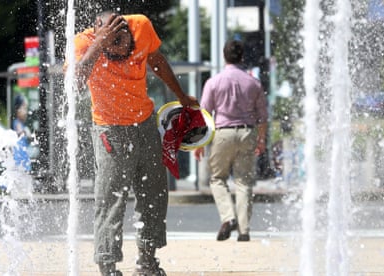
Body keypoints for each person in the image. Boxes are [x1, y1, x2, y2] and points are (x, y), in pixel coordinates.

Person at [73, 12, 198, 276]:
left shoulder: (141, 26)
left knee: (154, 194)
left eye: (124, 45)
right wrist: (99, 44)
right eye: (112, 46)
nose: (121, 53)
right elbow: (73, 84)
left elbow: (157, 61)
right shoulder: (85, 44)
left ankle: (147, 262)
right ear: (100, 37)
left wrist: (181, 96)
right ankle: (107, 266)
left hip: (144, 123)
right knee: (110, 199)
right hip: (110, 130)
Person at [194, 40, 268, 242]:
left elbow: (205, 114)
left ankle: (229, 217)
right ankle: (244, 231)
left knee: (218, 179)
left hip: (223, 133)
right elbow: (262, 116)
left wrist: (200, 143)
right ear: (242, 57)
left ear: (224, 57)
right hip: (247, 132)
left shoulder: (214, 82)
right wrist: (261, 140)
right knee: (244, 181)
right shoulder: (253, 83)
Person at [12, 94, 31, 172]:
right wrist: (25, 132)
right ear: (18, 109)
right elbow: (19, 132)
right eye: (24, 108)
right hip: (20, 165)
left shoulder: (21, 124)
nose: (26, 112)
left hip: (23, 164)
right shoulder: (17, 123)